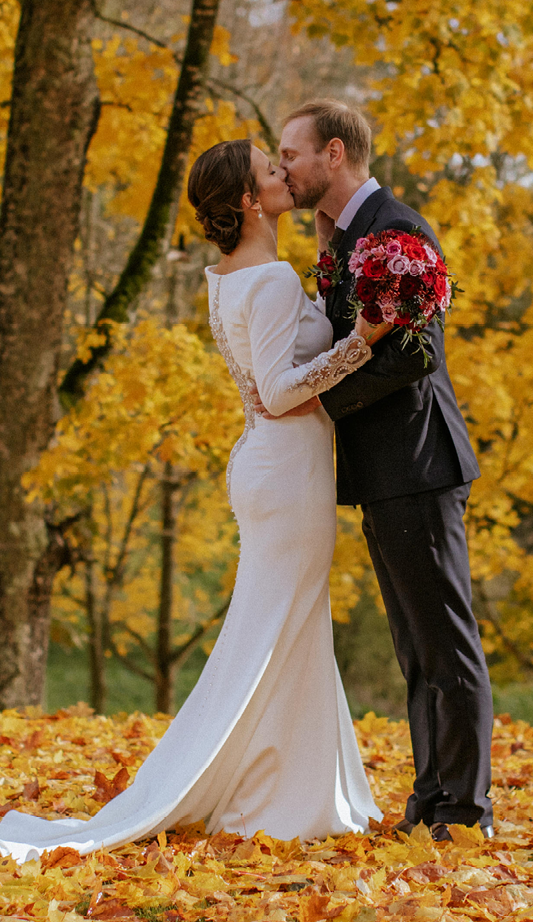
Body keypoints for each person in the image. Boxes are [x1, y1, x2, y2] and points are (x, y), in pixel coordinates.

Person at [0, 140, 384, 862]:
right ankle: (279, 793)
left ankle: (297, 785)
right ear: (245, 199)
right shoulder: (266, 280)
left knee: (285, 625)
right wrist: (360, 342)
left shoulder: (229, 277)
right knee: (280, 624)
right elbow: (275, 390)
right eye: (269, 171)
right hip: (286, 466)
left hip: (272, 466)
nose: (282, 174)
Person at [273, 100, 492, 841]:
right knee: (415, 648)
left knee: (445, 645)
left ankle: (465, 811)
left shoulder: (395, 233)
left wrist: (320, 400)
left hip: (418, 461)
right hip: (384, 469)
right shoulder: (345, 239)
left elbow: (414, 353)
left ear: (334, 154)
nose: (283, 168)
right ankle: (430, 798)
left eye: (291, 154)